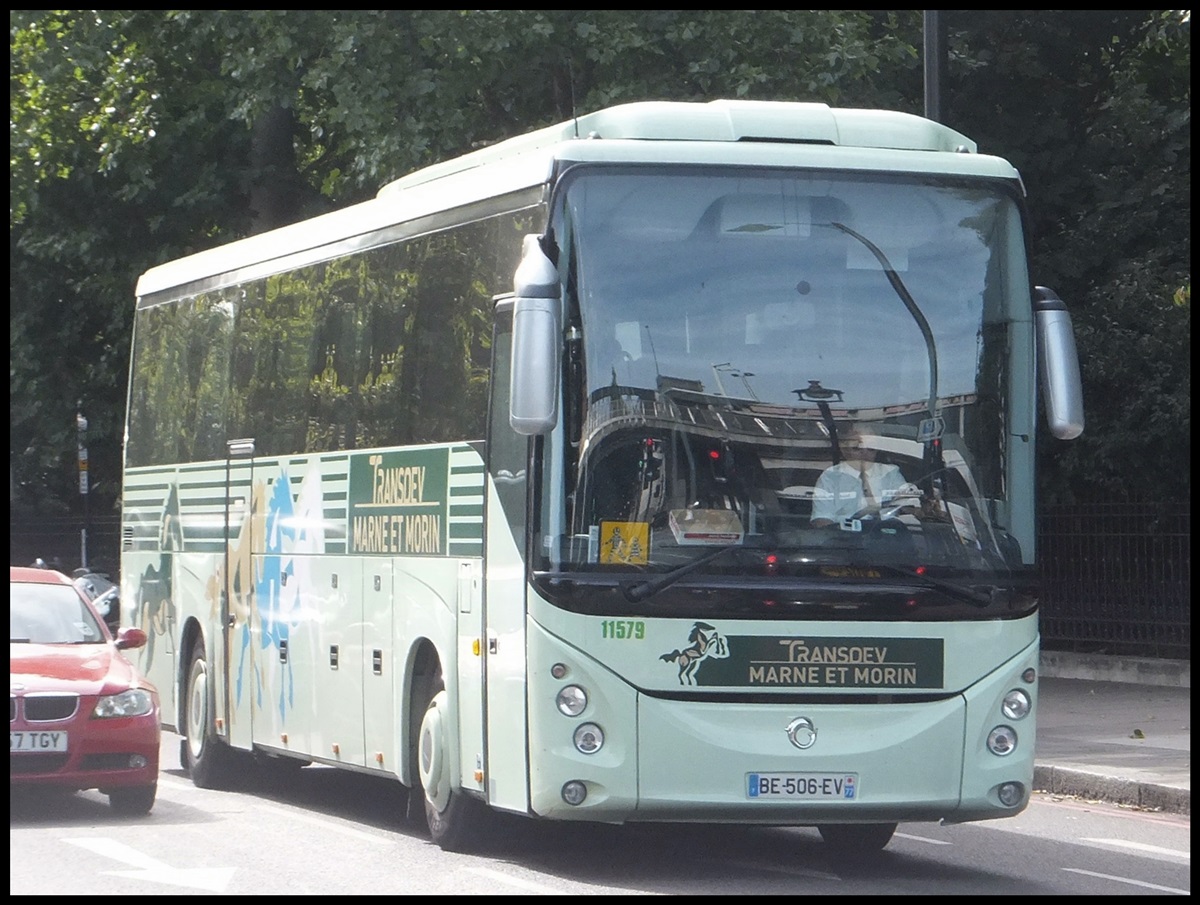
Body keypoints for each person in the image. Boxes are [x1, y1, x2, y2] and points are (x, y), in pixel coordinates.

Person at [810, 428, 908, 527]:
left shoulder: (891, 473)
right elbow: (821, 519)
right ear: (844, 450)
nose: (864, 453)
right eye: (857, 448)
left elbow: (909, 505)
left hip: (886, 535)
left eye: (871, 448)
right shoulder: (830, 476)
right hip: (844, 536)